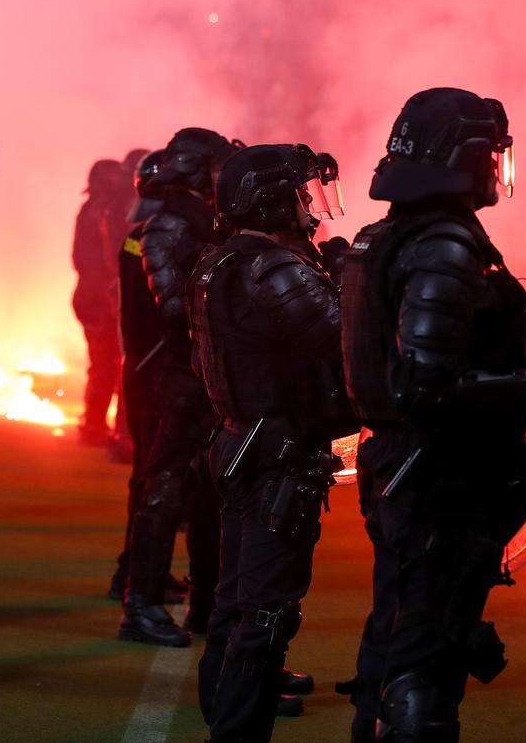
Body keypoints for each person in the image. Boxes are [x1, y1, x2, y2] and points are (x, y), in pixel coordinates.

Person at [339, 87, 526, 742]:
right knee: (422, 662)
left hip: (406, 470)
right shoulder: (444, 247)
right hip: (440, 481)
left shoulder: (389, 236)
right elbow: (428, 383)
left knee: (396, 637)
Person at [190, 143, 357, 741]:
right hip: (276, 457)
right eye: (301, 192)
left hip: (240, 445)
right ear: (273, 198)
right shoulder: (275, 267)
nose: (312, 206)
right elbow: (347, 347)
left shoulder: (222, 259)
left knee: (235, 604)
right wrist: (352, 277)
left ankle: (225, 717)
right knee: (263, 614)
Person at [119, 127, 242, 646]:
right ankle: (141, 605)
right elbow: (173, 306)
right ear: (196, 169)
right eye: (215, 168)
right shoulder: (167, 223)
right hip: (176, 375)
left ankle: (206, 606)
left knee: (205, 491)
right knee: (165, 487)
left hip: (202, 374)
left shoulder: (199, 219)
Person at [108, 150, 187, 606]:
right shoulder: (158, 238)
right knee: (155, 478)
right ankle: (136, 574)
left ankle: (134, 568)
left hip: (138, 365)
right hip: (154, 369)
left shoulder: (135, 236)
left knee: (147, 475)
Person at [74, 157, 135, 448]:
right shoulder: (116, 210)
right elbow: (114, 258)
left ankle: (95, 426)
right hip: (105, 297)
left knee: (104, 365)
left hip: (93, 295)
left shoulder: (94, 207)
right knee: (116, 365)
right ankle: (115, 431)